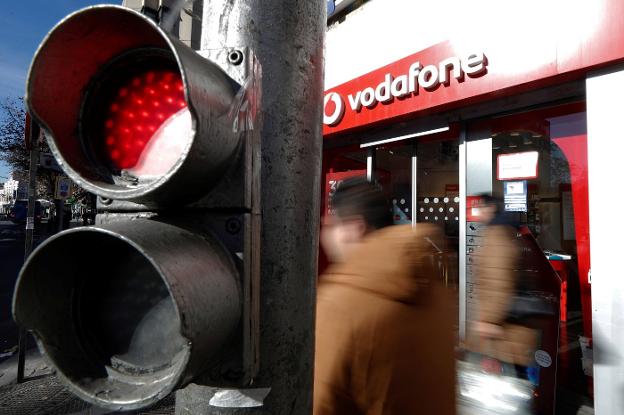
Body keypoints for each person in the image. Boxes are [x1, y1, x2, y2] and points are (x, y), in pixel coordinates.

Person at [315, 177, 456, 415]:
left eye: (330, 226)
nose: (325, 236)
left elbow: (319, 402)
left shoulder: (340, 302)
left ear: (353, 228)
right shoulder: (434, 290)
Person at [467, 195, 539, 375]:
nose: (478, 212)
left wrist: (488, 321)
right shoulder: (505, 232)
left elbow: (497, 280)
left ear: (491, 209)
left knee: (502, 382)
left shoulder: (497, 236)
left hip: (501, 329)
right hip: (505, 325)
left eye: (481, 207)